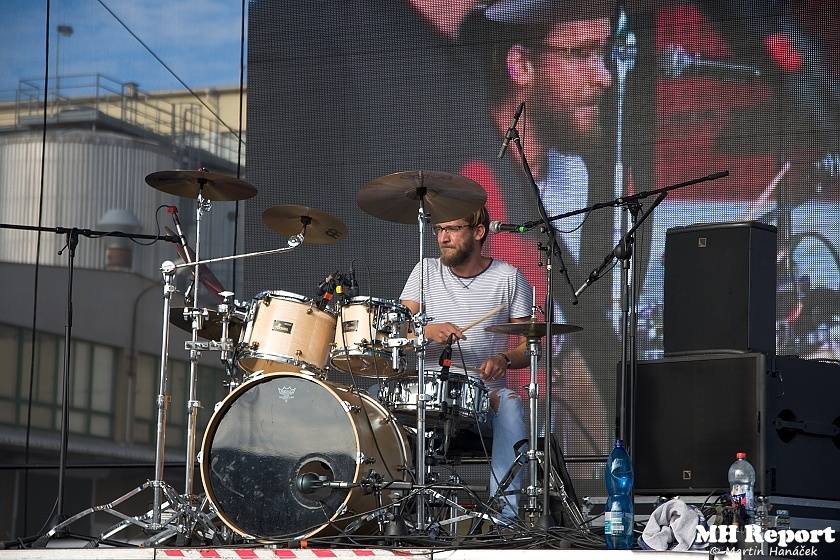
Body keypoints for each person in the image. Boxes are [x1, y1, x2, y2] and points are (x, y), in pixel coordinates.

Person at [456, 0, 653, 457]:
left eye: (605, 53)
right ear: (521, 66)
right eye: (581, 53)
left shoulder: (587, 182)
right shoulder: (471, 181)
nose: (604, 77)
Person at [399, 205, 533, 522]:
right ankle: (387, 510)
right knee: (370, 403)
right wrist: (426, 331)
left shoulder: (509, 277)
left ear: (478, 232)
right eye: (439, 230)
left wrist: (503, 359)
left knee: (511, 404)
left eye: (453, 229)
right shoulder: (425, 271)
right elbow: (396, 328)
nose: (443, 238)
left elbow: (529, 346)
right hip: (427, 392)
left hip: (482, 397)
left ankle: (506, 519)